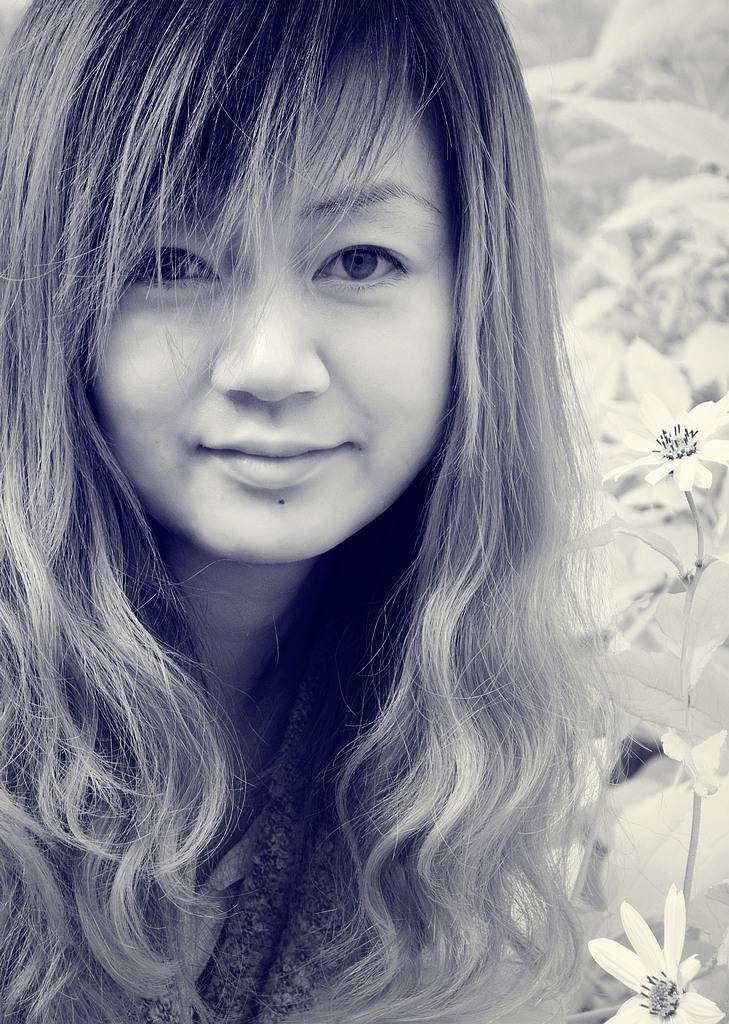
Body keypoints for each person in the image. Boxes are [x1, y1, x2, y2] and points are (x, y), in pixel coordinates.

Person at [0, 0, 615, 1021]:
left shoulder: (493, 749)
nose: (272, 364)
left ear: (475, 292)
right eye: (169, 262)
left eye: (358, 259)